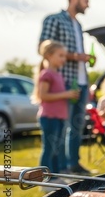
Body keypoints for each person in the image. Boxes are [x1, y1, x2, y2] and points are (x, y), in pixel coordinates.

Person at [39, 0, 94, 174]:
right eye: (86, 0)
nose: (88, 5)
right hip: (64, 82)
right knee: (61, 128)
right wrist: (76, 56)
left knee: (77, 127)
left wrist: (84, 59)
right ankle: (57, 169)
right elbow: (42, 46)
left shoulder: (78, 25)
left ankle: (73, 164)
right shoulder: (54, 19)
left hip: (81, 81)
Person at [32, 40, 79, 183]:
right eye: (60, 55)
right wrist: (66, 94)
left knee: (57, 148)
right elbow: (43, 96)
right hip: (49, 117)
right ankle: (43, 179)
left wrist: (71, 95)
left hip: (59, 117)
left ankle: (54, 175)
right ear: (49, 56)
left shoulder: (57, 74)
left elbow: (58, 95)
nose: (64, 59)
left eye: (65, 56)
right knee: (49, 148)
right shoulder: (46, 74)